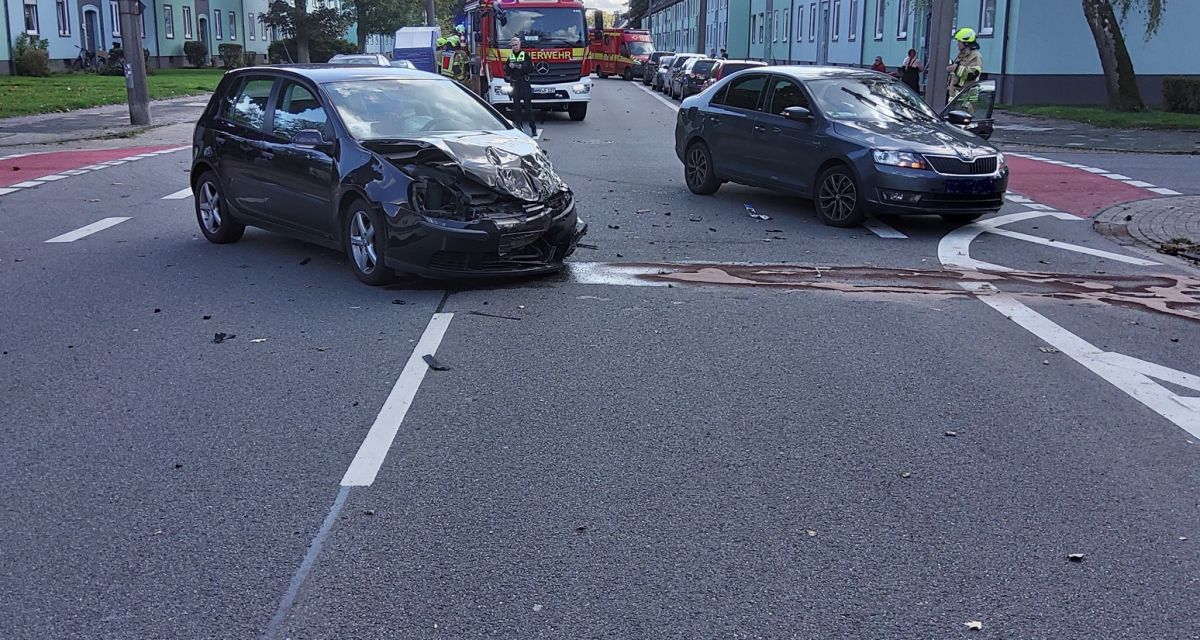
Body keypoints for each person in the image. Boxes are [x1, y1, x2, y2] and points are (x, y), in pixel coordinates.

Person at [505, 37, 537, 137]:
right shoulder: (510, 57)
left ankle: (533, 128)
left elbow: (531, 68)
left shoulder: (525, 55)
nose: (515, 47)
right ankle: (519, 128)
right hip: (515, 84)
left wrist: (520, 66)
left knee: (528, 108)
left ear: (520, 45)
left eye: (516, 45)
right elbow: (506, 71)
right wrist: (509, 67)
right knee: (517, 108)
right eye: (513, 45)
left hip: (524, 84)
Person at [946, 27, 983, 102]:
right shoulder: (962, 55)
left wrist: (955, 68)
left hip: (966, 99)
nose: (957, 44)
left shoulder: (975, 56)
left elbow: (972, 74)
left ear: (966, 43)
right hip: (957, 96)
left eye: (959, 41)